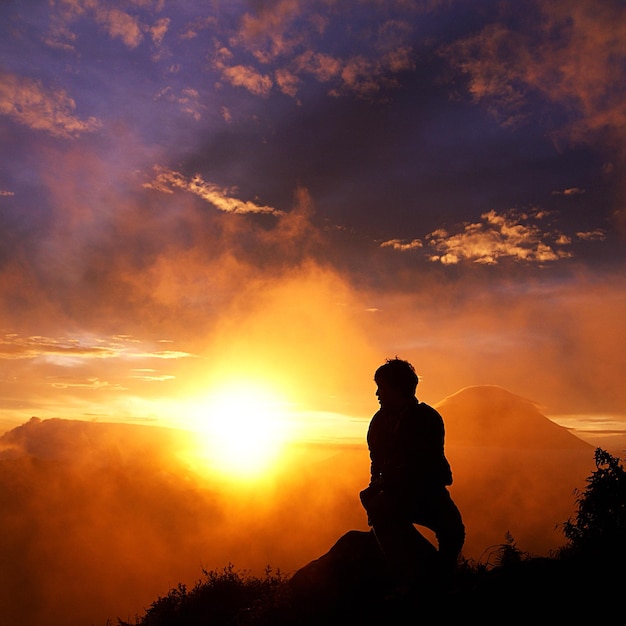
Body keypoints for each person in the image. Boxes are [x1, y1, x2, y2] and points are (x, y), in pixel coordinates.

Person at [360, 357, 464, 588]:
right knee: (449, 531)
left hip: (425, 491)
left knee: (453, 532)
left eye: (382, 388)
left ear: (398, 389)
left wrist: (381, 486)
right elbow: (375, 462)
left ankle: (437, 578)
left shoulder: (427, 419)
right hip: (398, 493)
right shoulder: (378, 423)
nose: (378, 394)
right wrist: (376, 487)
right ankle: (414, 579)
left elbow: (424, 462)